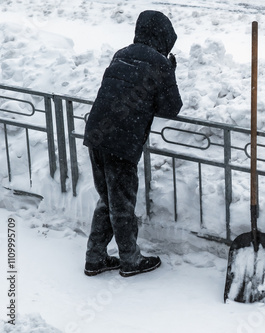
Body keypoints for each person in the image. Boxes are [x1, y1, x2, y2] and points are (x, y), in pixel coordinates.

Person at [82, 10, 182, 277]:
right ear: (163, 37)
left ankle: (95, 257)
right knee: (122, 202)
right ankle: (130, 259)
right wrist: (169, 71)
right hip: (122, 140)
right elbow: (171, 108)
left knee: (108, 198)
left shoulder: (122, 53)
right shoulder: (159, 63)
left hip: (96, 133)